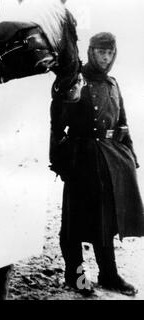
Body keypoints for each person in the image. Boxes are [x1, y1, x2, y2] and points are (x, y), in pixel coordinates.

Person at [49, 32, 144, 296]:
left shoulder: (113, 84)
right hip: (81, 161)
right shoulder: (75, 81)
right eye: (101, 52)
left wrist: (131, 155)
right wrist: (58, 160)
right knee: (74, 224)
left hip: (110, 161)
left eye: (110, 53)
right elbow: (57, 125)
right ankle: (75, 276)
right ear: (91, 52)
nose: (106, 57)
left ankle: (109, 275)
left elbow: (123, 123)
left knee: (106, 222)